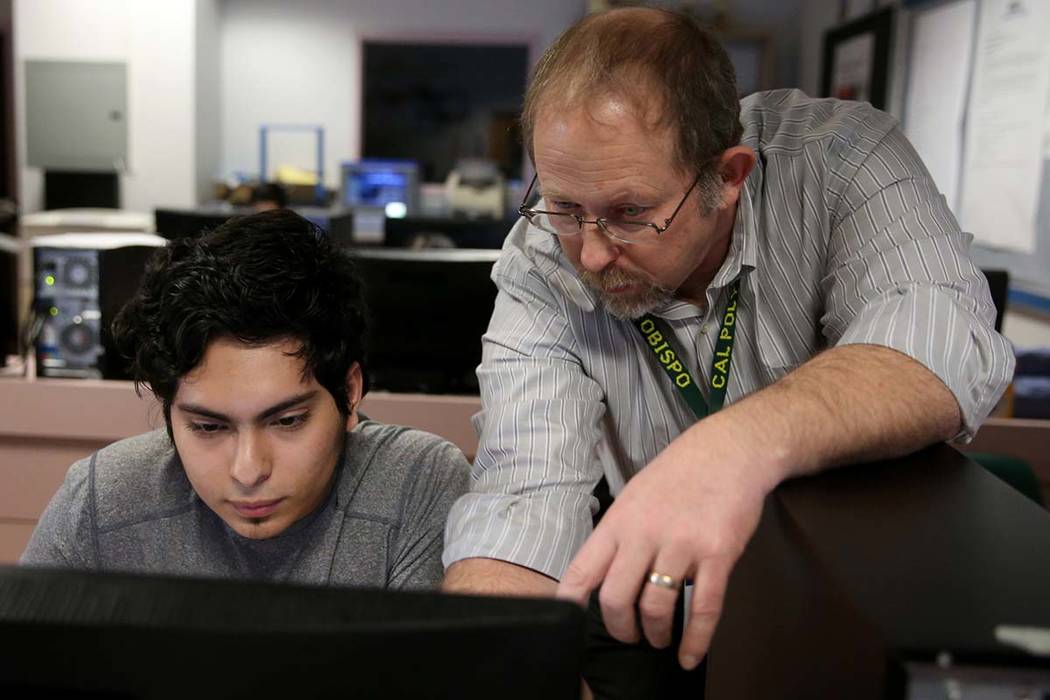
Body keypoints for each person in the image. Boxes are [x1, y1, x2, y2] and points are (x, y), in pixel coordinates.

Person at [442, 6, 1015, 695]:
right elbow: (521, 495)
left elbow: (937, 341)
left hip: (845, 596)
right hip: (655, 602)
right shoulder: (543, 259)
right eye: (563, 206)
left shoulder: (841, 161)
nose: (589, 253)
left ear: (730, 174)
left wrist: (726, 450)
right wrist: (503, 666)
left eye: (630, 213)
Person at [22, 209, 470, 590]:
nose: (249, 470)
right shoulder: (105, 499)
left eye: (288, 421)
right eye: (209, 428)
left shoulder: (416, 484)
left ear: (349, 393)